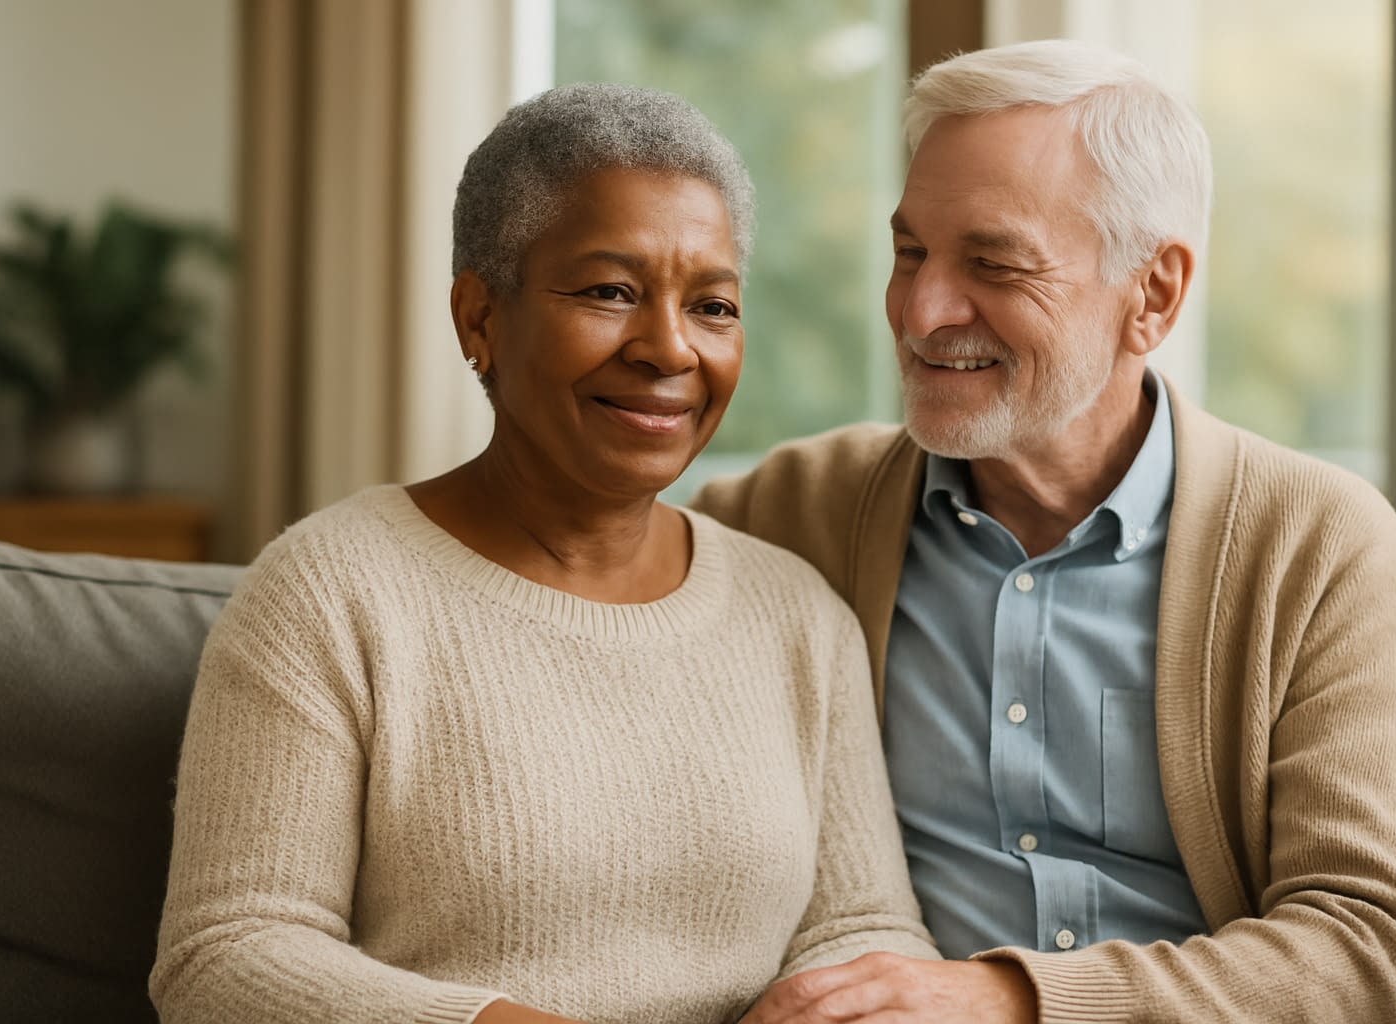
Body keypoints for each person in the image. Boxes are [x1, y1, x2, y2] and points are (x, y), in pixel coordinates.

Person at [149, 83, 937, 1024]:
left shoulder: (798, 613)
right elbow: (226, 956)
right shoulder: (328, 593)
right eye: (609, 292)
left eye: (713, 305)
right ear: (479, 319)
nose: (669, 348)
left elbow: (864, 928)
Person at [695, 39, 1396, 1024]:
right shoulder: (798, 510)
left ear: (1153, 295)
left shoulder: (1320, 546)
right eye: (911, 252)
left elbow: (1372, 950)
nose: (921, 311)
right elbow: (572, 577)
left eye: (995, 263)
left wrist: (1011, 1000)